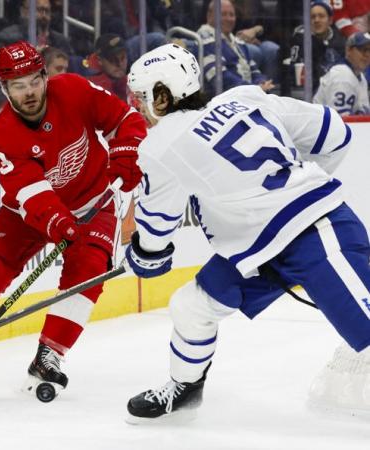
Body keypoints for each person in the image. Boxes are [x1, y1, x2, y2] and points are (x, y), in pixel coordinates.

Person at [122, 43, 370, 421]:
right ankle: (185, 388)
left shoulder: (163, 144)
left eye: (141, 97)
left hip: (317, 235)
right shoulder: (246, 98)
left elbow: (156, 228)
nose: (137, 106)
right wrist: (294, 181)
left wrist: (144, 256)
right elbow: (334, 134)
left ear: (162, 94)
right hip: (263, 252)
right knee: (192, 306)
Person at [0, 41, 147, 396]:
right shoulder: (3, 138)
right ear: (5, 89)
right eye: (18, 86)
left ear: (44, 76)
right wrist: (58, 221)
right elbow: (33, 195)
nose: (29, 92)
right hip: (26, 213)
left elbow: (125, 119)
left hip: (94, 201)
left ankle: (49, 356)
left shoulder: (73, 88)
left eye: (34, 82)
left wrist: (127, 150)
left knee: (88, 273)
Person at [198, 0, 274, 94]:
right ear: (209, 16)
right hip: (224, 101)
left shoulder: (239, 43)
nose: (229, 19)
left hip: (247, 96)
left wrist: (261, 83)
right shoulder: (204, 42)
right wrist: (254, 89)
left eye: (232, 15)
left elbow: (254, 71)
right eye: (223, 14)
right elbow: (221, 80)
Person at [286, 0, 346, 95]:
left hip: (335, 89)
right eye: (312, 17)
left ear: (330, 20)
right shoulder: (300, 40)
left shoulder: (339, 40)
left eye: (321, 16)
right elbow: (296, 70)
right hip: (310, 91)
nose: (316, 20)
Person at [314, 31, 370, 116]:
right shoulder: (342, 76)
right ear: (348, 50)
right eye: (363, 50)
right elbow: (340, 121)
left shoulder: (360, 77)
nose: (367, 55)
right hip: (322, 127)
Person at [86, 34, 129, 102]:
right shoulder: (93, 86)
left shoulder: (130, 81)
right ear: (99, 60)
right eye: (112, 59)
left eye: (122, 58)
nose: (120, 64)